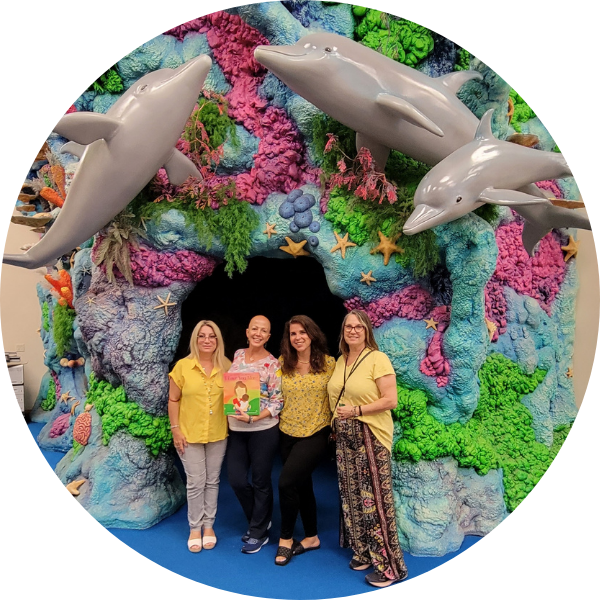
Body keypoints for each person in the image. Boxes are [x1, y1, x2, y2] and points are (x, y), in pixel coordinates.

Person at [327, 309, 408, 588]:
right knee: (351, 499)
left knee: (375, 502)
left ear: (367, 331)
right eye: (348, 326)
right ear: (343, 331)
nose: (352, 331)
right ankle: (363, 551)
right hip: (344, 437)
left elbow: (390, 400)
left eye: (358, 327)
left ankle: (390, 568)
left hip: (370, 434)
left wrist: (356, 411)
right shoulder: (340, 361)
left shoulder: (377, 358)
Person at [274, 315, 336, 566]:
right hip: (287, 431)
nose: (297, 337)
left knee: (286, 483)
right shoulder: (281, 363)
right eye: (292, 334)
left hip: (316, 432)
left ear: (312, 334)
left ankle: (285, 539)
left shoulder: (329, 364)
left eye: (302, 332)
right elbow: (268, 392)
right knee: (302, 485)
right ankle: (311, 537)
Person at [168, 319, 231, 553]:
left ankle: (208, 526)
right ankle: (194, 528)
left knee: (212, 480)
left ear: (217, 340)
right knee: (196, 481)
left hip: (217, 434)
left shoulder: (226, 365)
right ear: (195, 339)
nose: (207, 340)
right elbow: (173, 399)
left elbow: (236, 400)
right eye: (202, 336)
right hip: (188, 434)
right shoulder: (183, 367)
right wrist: (175, 429)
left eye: (212, 336)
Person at [227, 315, 283, 554]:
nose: (258, 333)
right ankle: (260, 519)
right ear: (247, 331)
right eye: (255, 329)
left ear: (269, 336)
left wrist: (255, 417)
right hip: (237, 429)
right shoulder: (238, 355)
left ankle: (259, 532)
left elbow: (278, 401)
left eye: (264, 331)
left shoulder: (273, 364)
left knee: (261, 481)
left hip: (263, 430)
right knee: (237, 480)